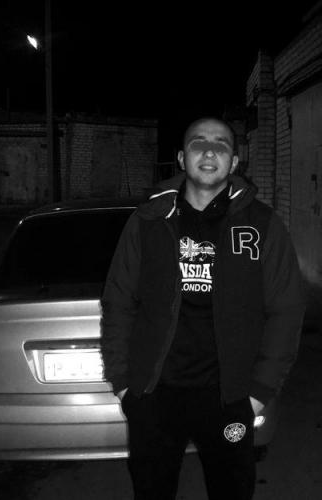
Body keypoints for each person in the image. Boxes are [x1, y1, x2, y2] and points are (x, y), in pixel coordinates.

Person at [100, 116, 305, 500]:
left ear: (234, 162)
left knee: (232, 491)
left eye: (221, 145)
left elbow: (287, 309)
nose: (209, 152)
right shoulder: (148, 220)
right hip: (155, 396)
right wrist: (124, 383)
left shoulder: (262, 225)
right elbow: (119, 301)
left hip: (229, 397)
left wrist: (259, 390)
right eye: (198, 143)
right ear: (181, 157)